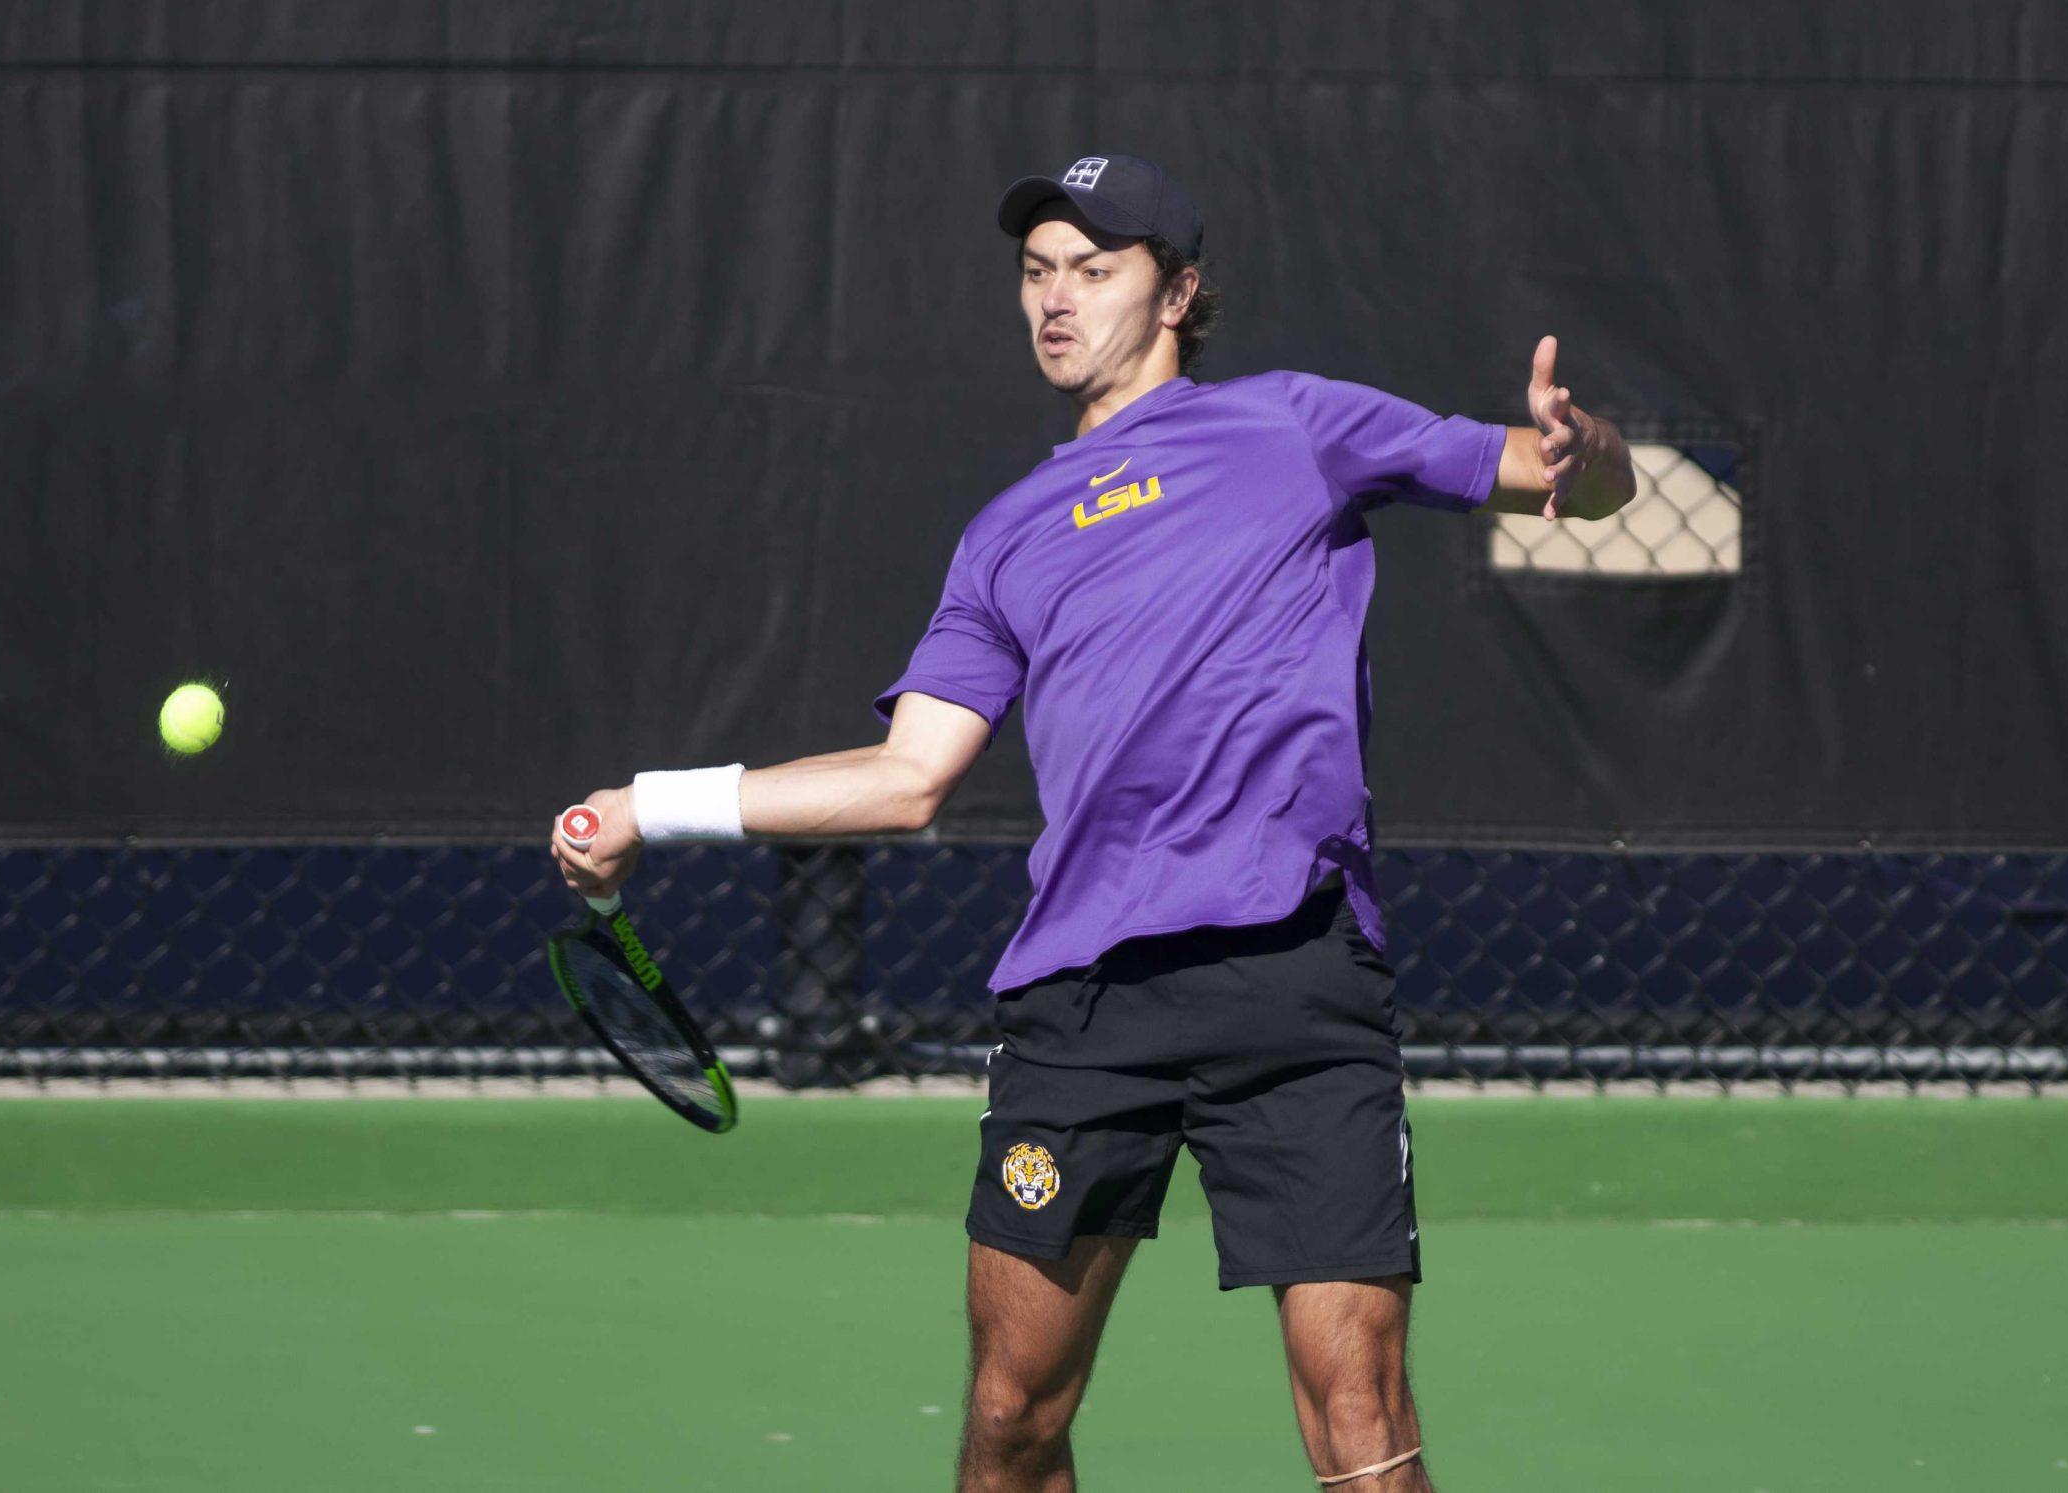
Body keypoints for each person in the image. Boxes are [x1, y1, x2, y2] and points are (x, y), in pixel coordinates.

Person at [552, 152, 1635, 1491]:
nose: (1057, 299)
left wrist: (1592, 452)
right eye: (1036, 270)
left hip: (1293, 982)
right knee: (1011, 1422)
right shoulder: (1004, 536)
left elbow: (1574, 484)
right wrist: (656, 803)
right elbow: (908, 774)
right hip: (1086, 1003)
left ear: (1178, 291)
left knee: (1362, 1421)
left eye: (1096, 268)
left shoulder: (1295, 425)